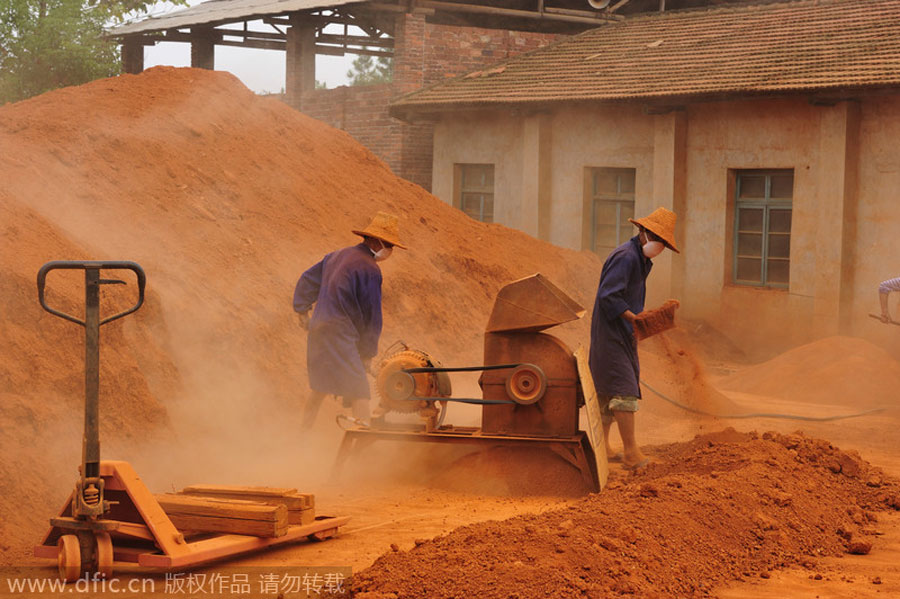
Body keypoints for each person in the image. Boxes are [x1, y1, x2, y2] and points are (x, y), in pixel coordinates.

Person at [293, 211, 406, 428]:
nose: (390, 251)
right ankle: (360, 445)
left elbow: (308, 279)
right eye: (389, 245)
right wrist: (367, 354)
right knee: (359, 389)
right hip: (340, 333)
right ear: (375, 240)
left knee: (320, 386)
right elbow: (372, 317)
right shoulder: (370, 269)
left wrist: (302, 310)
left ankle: (301, 437)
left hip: (319, 329)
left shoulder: (336, 256)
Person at [588, 207, 679, 470]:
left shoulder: (641, 259)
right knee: (625, 390)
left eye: (663, 243)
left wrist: (638, 320)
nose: (660, 246)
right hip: (611, 333)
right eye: (658, 240)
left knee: (608, 390)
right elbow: (609, 297)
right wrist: (634, 319)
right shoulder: (626, 257)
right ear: (643, 232)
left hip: (621, 332)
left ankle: (602, 446)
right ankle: (630, 453)